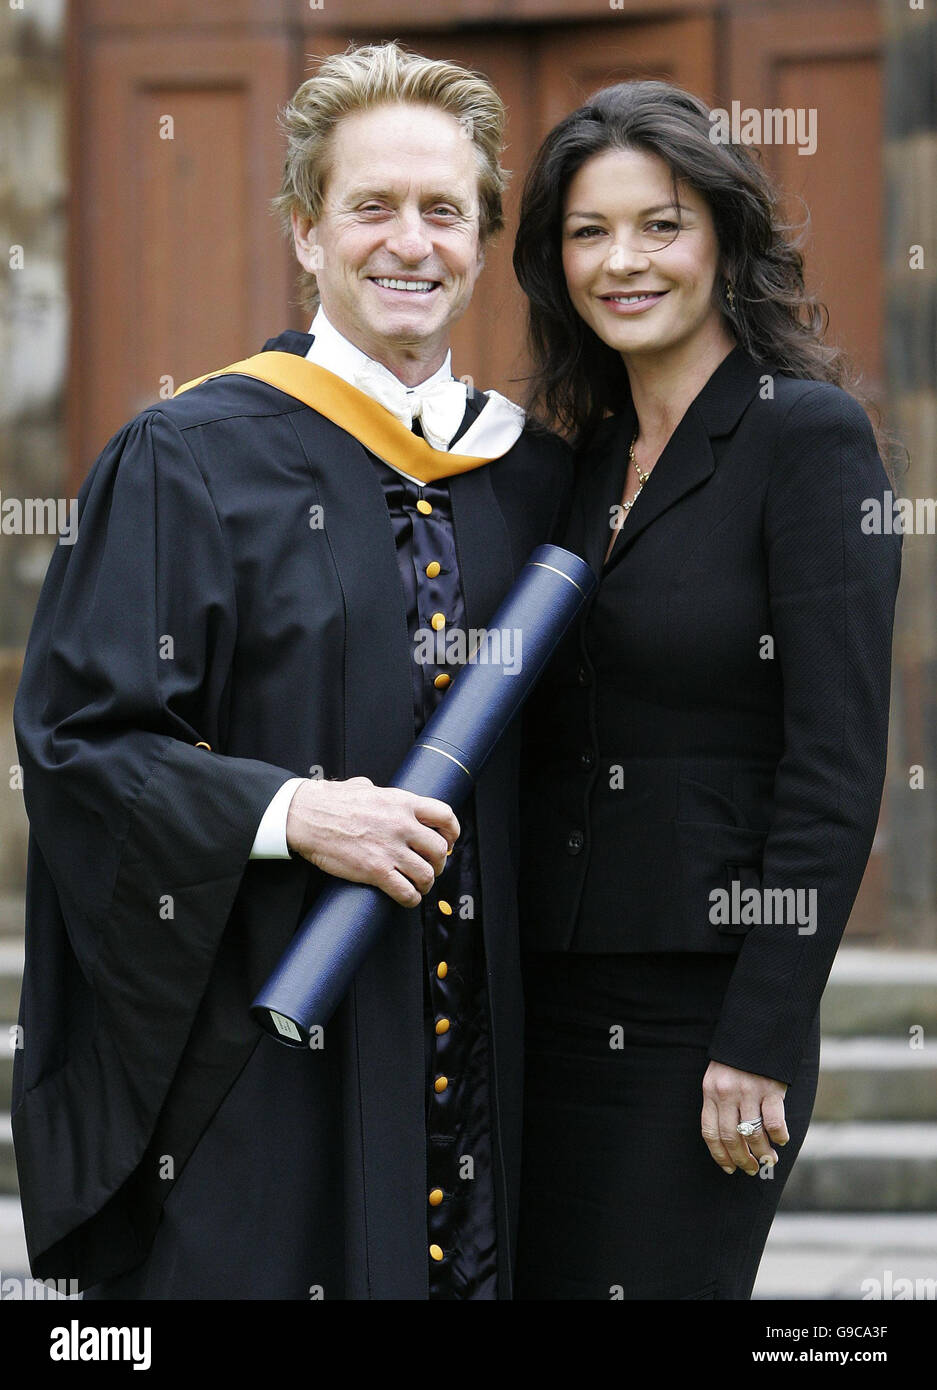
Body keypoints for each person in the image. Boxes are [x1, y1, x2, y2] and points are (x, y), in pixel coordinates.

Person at [12, 41, 569, 1301]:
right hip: (267, 1063)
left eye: (445, 210)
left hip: (487, 1086)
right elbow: (77, 741)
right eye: (371, 206)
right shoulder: (186, 458)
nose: (410, 242)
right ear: (307, 233)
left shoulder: (534, 481)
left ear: (483, 239)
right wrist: (289, 810)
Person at [511, 79, 902, 1300]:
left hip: (703, 1012)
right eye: (588, 231)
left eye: (659, 224)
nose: (621, 260)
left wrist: (761, 1033)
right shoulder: (564, 465)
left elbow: (835, 768)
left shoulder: (810, 440)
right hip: (542, 994)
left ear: (723, 239)